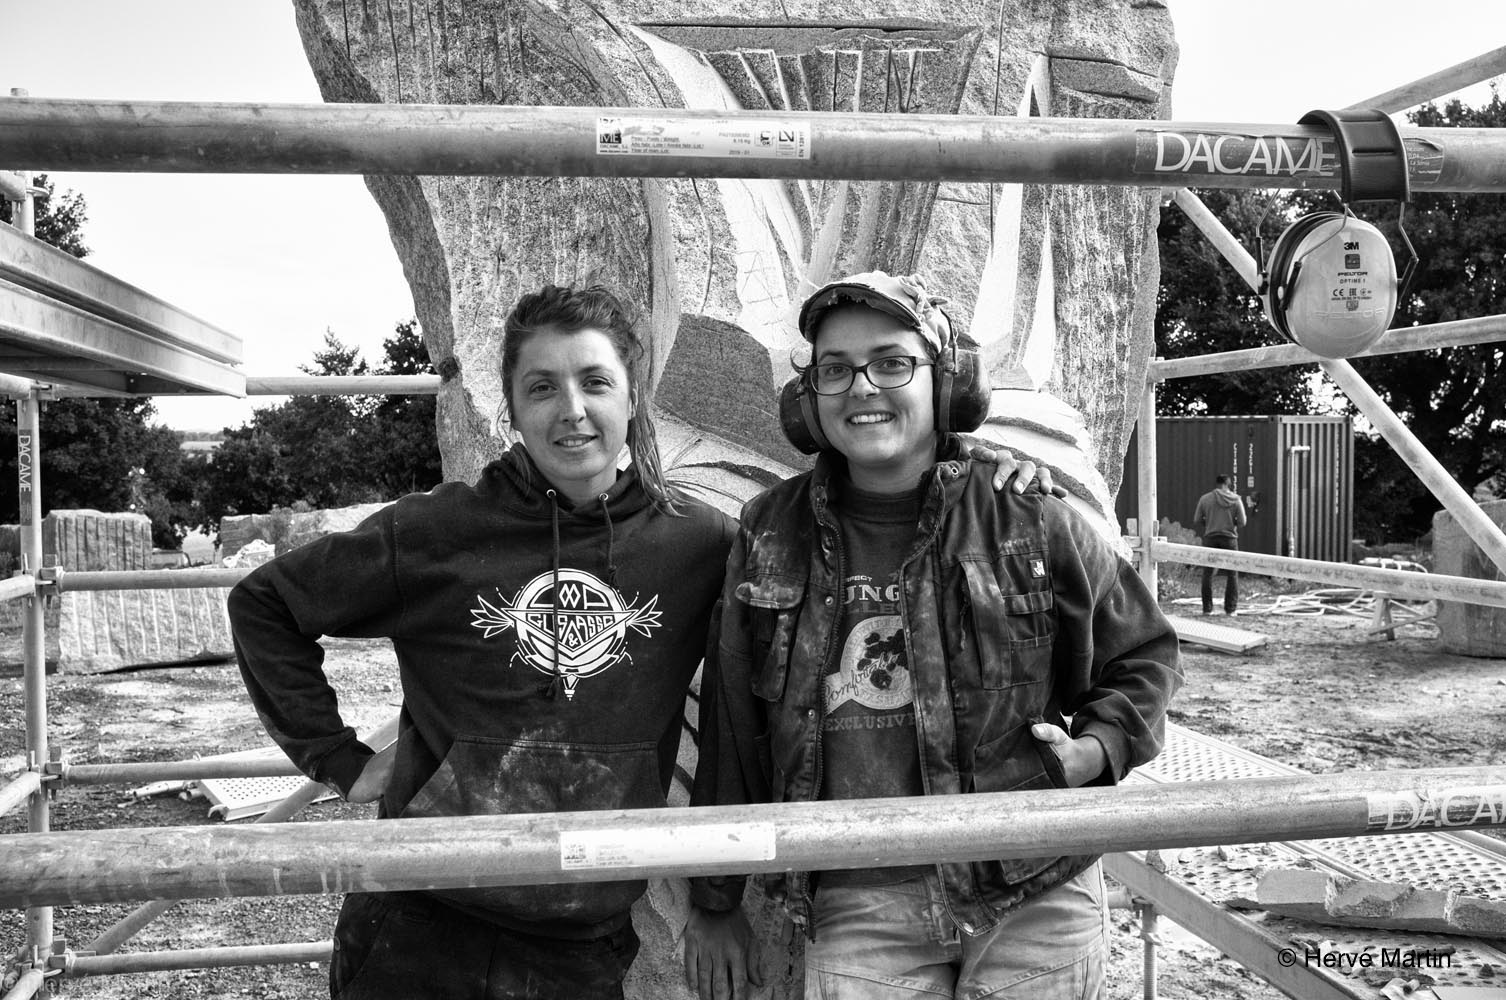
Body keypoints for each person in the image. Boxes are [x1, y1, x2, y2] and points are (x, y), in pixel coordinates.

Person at [228, 282, 1052, 1000]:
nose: (570, 409)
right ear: (512, 408)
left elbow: (830, 544)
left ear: (631, 399)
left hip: (582, 940)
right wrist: (339, 759)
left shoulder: (698, 545)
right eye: (541, 387)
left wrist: (965, 462)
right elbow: (265, 604)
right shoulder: (436, 532)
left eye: (594, 381)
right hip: (420, 924)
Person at [683, 271, 1183, 1000]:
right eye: (835, 369)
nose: (862, 387)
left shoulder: (1026, 515)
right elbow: (733, 719)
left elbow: (1144, 651)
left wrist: (1098, 750)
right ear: (807, 398)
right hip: (861, 897)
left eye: (892, 362)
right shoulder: (769, 532)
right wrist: (716, 897)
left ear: (947, 382)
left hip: (1035, 887)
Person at [1192, 473, 1248, 615]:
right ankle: (1230, 609)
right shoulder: (1236, 500)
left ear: (1216, 484)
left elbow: (1197, 519)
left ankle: (1207, 609)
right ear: (1229, 484)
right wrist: (1232, 523)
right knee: (1232, 574)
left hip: (1210, 538)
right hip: (1229, 539)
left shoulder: (1205, 499)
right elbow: (1243, 522)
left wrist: (1209, 524)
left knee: (1208, 573)